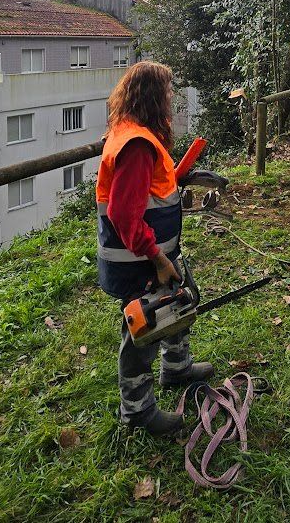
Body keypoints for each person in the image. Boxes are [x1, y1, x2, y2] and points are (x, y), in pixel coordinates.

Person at [95, 61, 213, 435]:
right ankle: (138, 412)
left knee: (173, 304)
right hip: (138, 259)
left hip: (151, 253)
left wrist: (181, 177)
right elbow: (124, 215)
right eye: (167, 90)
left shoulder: (134, 132)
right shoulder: (136, 146)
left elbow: (147, 192)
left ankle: (176, 369)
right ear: (151, 96)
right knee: (141, 332)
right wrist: (158, 257)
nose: (171, 96)